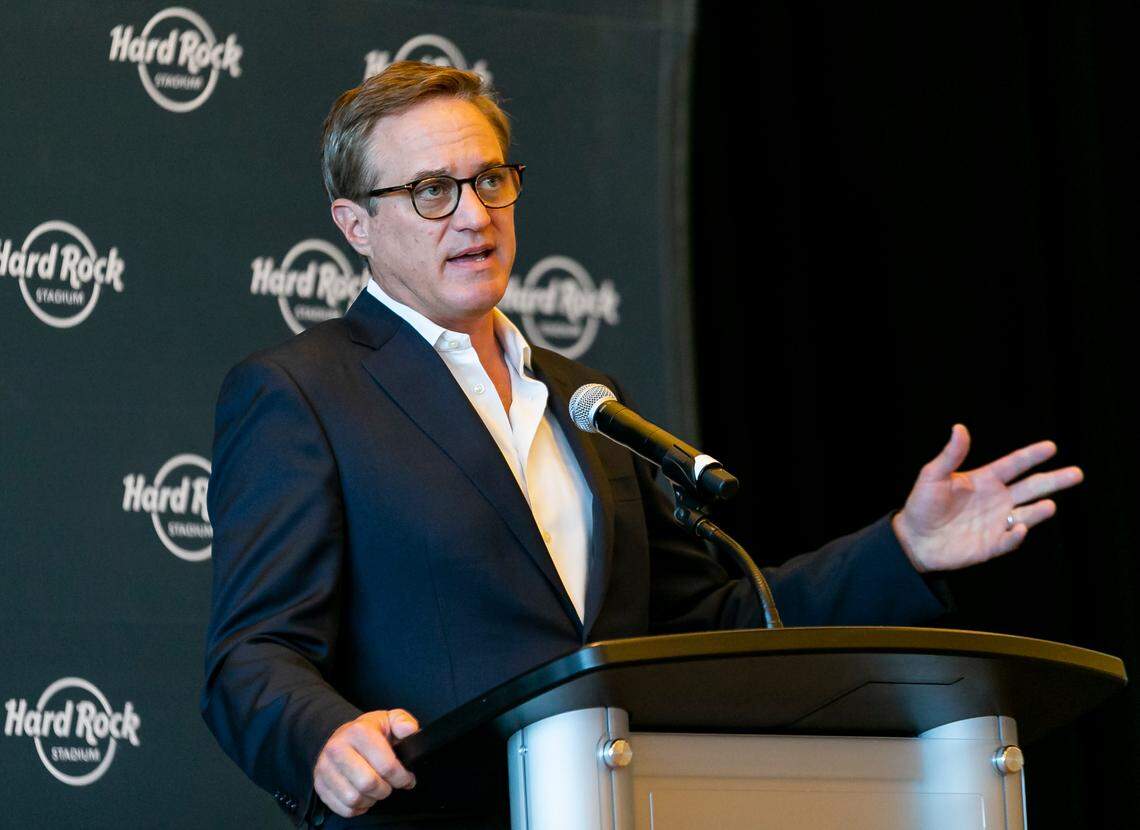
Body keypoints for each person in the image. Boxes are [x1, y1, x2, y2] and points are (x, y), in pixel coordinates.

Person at [200, 61, 1084, 829]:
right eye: (432, 191)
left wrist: (904, 549)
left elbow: (717, 627)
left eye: (490, 180)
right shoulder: (303, 393)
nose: (473, 214)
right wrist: (322, 736)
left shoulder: (585, 398)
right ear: (356, 226)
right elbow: (253, 654)